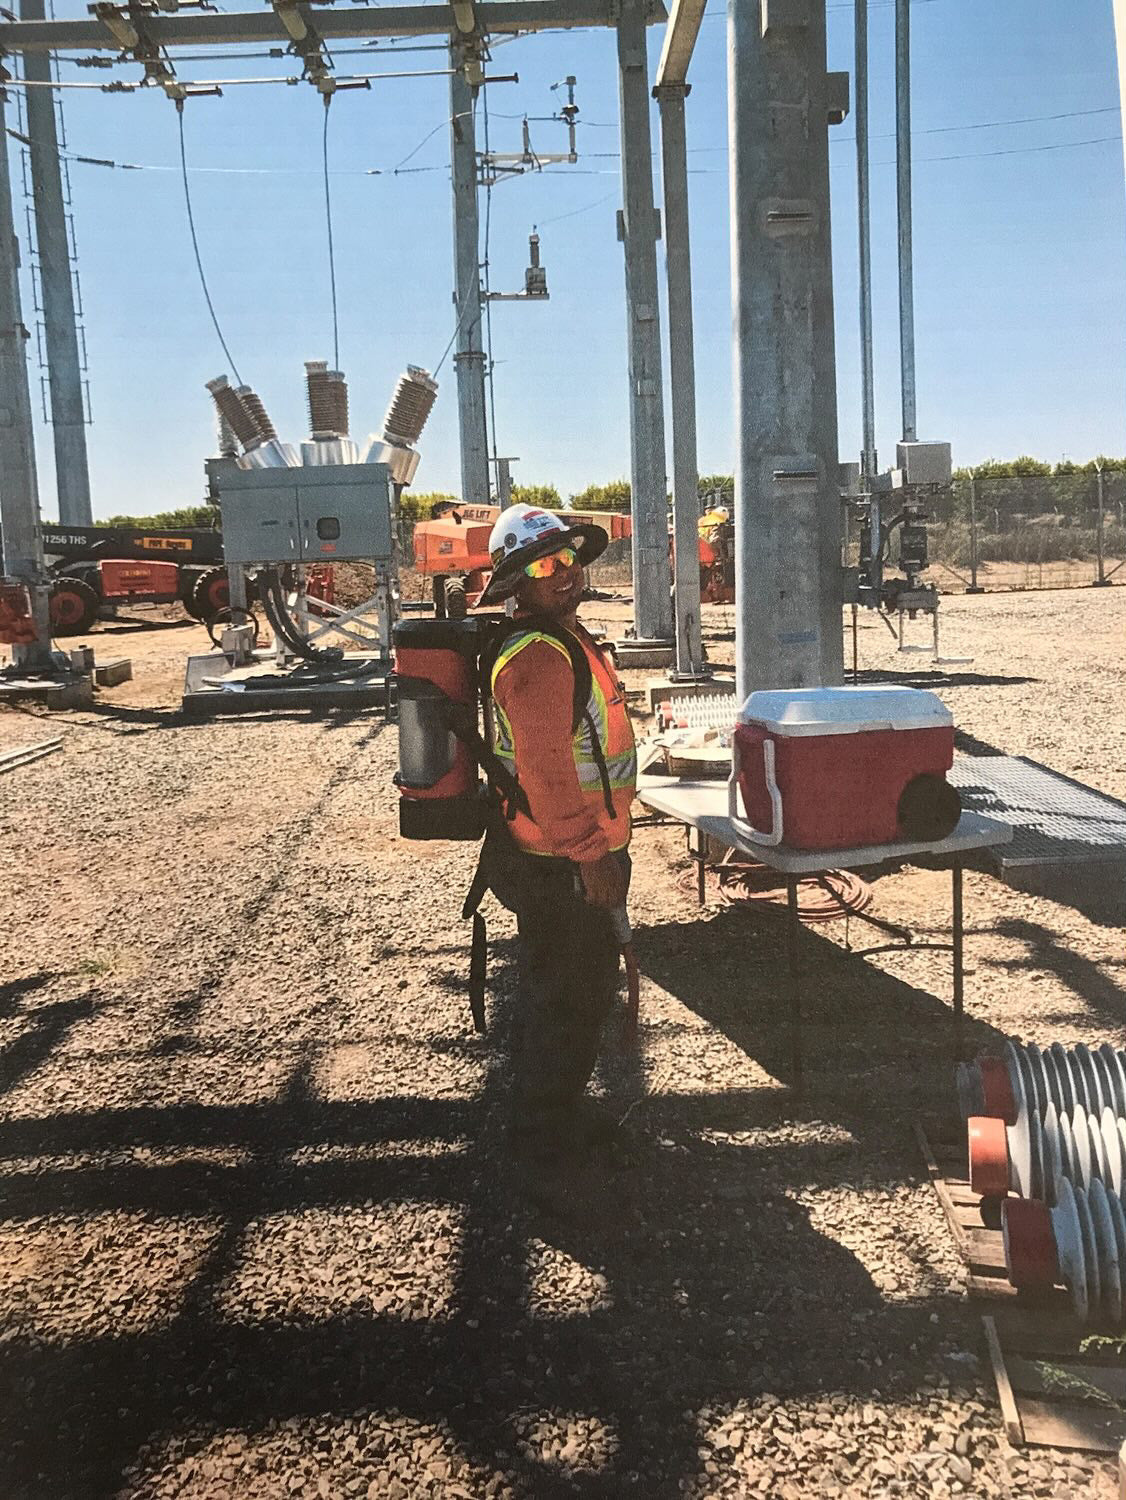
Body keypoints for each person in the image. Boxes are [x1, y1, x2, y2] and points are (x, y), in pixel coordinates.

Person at [474, 503, 637, 1167]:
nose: (564, 572)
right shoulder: (539, 657)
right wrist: (590, 856)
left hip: (564, 852)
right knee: (569, 998)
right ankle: (544, 1144)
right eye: (543, 566)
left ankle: (554, 1115)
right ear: (518, 583)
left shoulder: (562, 639)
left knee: (574, 991)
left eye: (567, 557)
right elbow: (545, 772)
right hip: (561, 861)